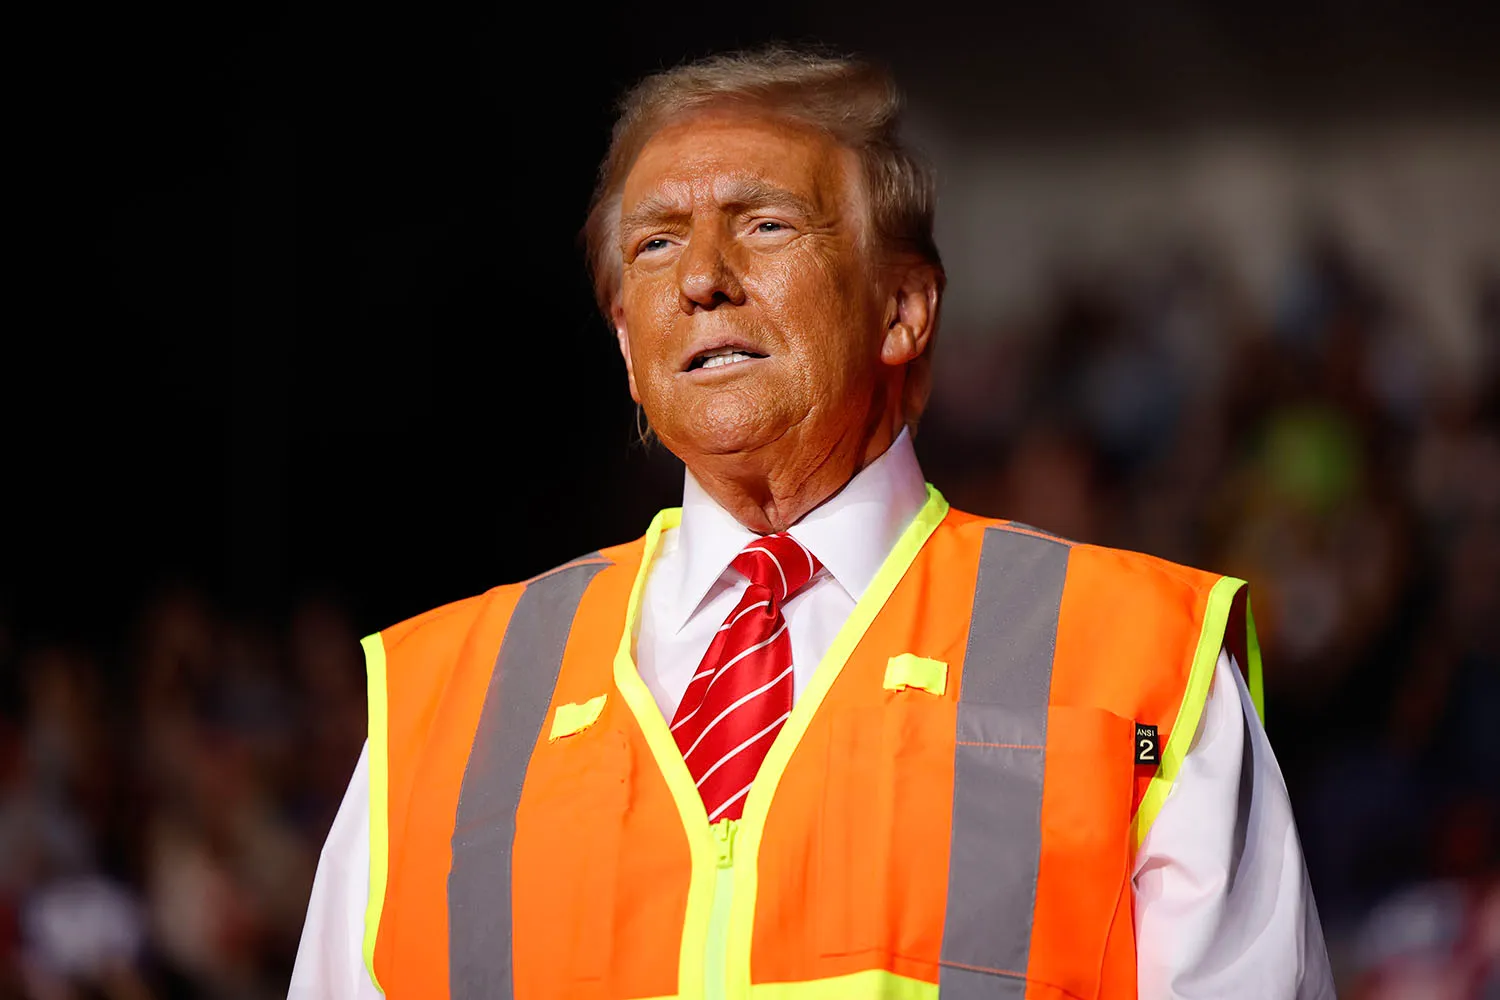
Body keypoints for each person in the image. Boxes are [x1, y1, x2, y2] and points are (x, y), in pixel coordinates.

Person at [289, 47, 1335, 1000]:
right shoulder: (437, 710)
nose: (701, 277)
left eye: (765, 223)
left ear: (903, 310)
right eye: (654, 244)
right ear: (624, 344)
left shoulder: (1142, 664)